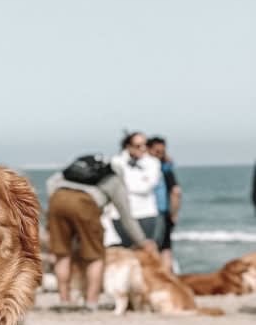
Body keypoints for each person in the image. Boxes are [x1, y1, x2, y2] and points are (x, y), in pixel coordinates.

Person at [46, 161, 156, 310]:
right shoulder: (114, 180)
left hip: (57, 199)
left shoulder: (76, 171)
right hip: (85, 204)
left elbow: (50, 182)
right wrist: (142, 241)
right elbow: (126, 216)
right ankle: (92, 303)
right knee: (95, 256)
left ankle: (64, 300)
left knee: (62, 253)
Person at [110, 132, 162, 246]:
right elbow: (115, 185)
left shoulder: (153, 162)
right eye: (138, 145)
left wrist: (126, 183)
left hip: (146, 213)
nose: (143, 148)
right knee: (125, 249)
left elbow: (146, 187)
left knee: (145, 249)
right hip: (121, 214)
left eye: (145, 144)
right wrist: (139, 180)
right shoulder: (116, 161)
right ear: (129, 146)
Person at [147, 136, 182, 272]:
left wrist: (173, 213)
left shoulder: (160, 169)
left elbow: (175, 192)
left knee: (156, 247)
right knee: (165, 247)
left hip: (158, 212)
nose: (159, 154)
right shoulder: (165, 167)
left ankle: (161, 275)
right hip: (162, 212)